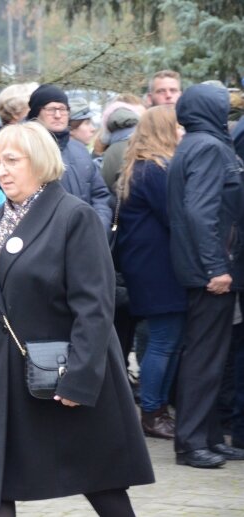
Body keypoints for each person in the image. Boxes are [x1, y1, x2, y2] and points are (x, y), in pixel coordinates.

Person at [0, 121, 154, 517]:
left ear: (40, 162)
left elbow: (95, 306)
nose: (2, 170)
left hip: (59, 376)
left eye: (12, 160)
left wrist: (80, 379)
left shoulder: (74, 217)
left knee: (100, 483)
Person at [167, 84, 244, 468]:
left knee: (210, 356)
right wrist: (217, 267)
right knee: (204, 357)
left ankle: (209, 437)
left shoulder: (195, 144)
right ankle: (192, 442)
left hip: (200, 267)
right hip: (211, 272)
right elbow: (200, 213)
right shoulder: (211, 148)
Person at [116, 106, 186, 439]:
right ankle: (153, 412)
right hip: (157, 269)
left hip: (146, 266)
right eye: (177, 126)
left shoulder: (139, 166)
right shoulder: (156, 169)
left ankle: (157, 408)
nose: (182, 131)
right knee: (163, 341)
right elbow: (175, 216)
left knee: (166, 339)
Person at [27, 84, 112, 227]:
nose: (58, 115)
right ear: (36, 113)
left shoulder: (80, 150)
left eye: (63, 109)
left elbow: (100, 195)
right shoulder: (25, 150)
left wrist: (98, 228)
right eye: (51, 109)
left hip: (86, 239)